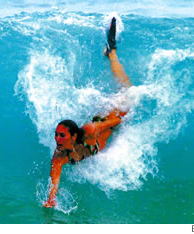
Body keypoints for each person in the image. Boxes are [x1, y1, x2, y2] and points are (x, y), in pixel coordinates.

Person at [43, 17, 132, 208]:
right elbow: (54, 180)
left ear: (73, 135)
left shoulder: (90, 130)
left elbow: (115, 121)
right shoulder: (59, 157)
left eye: (61, 135)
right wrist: (51, 199)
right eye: (56, 135)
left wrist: (127, 115)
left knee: (126, 91)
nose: (57, 138)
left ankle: (112, 52)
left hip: (110, 120)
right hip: (101, 135)